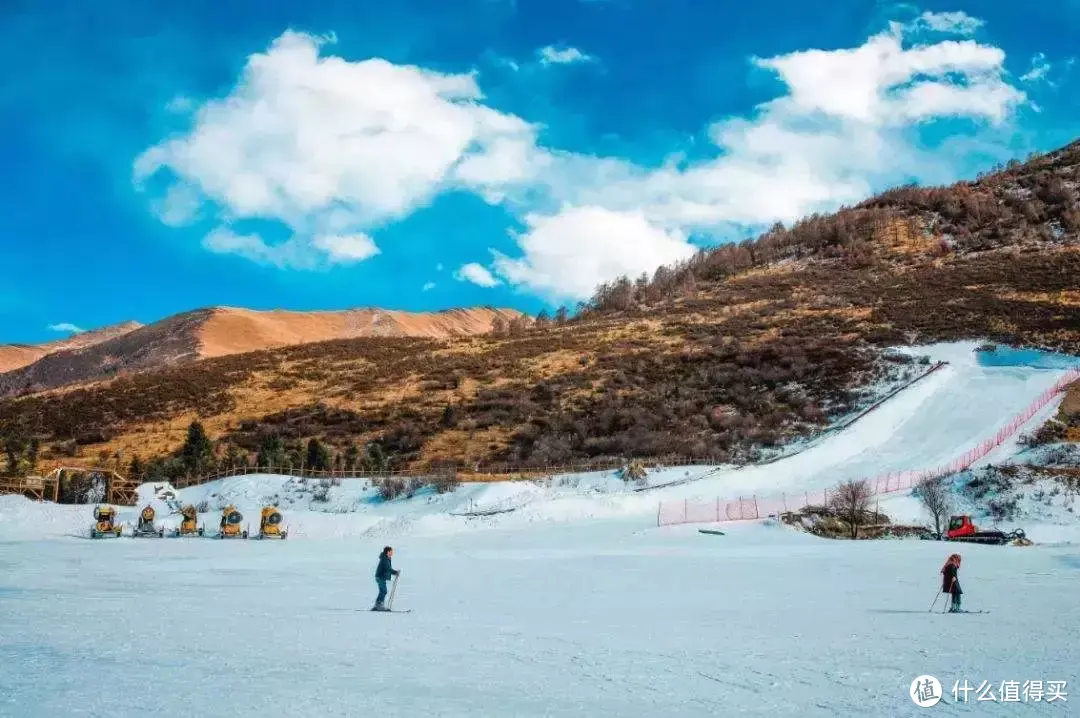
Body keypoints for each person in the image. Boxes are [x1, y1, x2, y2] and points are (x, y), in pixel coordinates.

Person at [373, 546, 400, 611]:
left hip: (381, 577)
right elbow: (388, 568)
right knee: (383, 591)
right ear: (387, 552)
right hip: (380, 577)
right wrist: (395, 572)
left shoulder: (387, 558)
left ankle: (377, 605)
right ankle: (379, 605)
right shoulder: (384, 559)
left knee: (383, 591)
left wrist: (395, 572)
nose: (392, 553)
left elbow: (388, 568)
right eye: (391, 551)